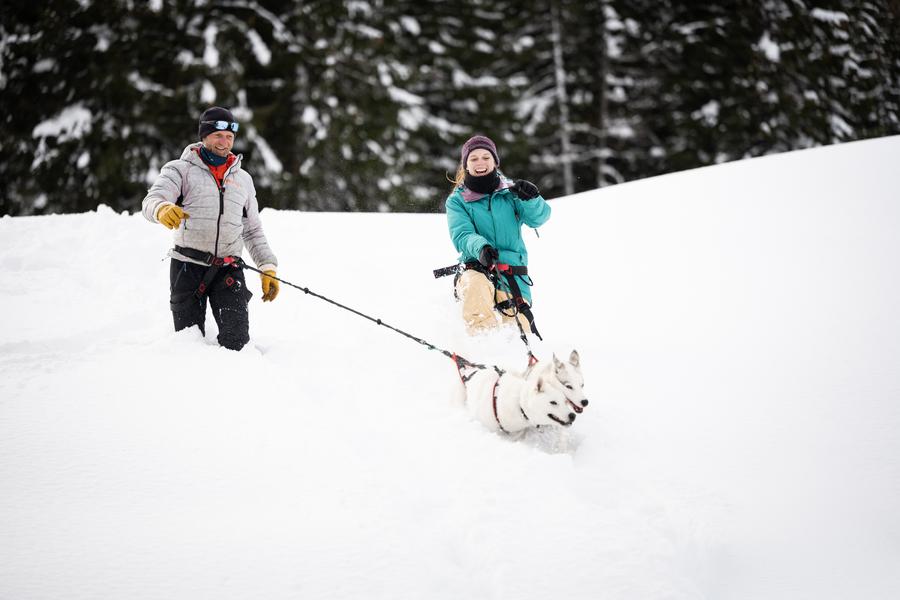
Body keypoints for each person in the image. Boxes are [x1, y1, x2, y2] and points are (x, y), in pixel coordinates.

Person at [142, 106, 279, 351]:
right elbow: (152, 200)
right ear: (204, 136)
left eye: (229, 136)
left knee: (237, 343)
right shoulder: (180, 170)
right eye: (218, 135)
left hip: (228, 269)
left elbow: (252, 230)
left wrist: (267, 266)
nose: (224, 142)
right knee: (187, 343)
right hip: (187, 267)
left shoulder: (243, 180)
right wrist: (161, 209)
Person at [445, 134, 551, 336]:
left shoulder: (511, 192)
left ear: (495, 161)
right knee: (477, 287)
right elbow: (462, 234)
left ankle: (513, 352)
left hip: (513, 276)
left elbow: (539, 218)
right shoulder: (457, 201)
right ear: (466, 165)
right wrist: (481, 247)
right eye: (474, 158)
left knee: (516, 334)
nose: (480, 162)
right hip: (476, 269)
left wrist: (532, 199)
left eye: (486, 157)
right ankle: (482, 346)